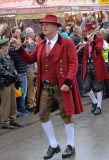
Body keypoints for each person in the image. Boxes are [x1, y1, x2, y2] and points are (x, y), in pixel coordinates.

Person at [9, 14, 83, 159]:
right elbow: (30, 59)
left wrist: (68, 82)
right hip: (46, 87)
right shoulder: (41, 44)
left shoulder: (67, 43)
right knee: (43, 115)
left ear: (55, 27)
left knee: (66, 115)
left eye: (47, 24)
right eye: (43, 24)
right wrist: (19, 48)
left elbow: (74, 64)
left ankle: (71, 145)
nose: (44, 26)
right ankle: (54, 144)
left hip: (62, 86)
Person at [80, 22, 109, 115]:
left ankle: (99, 106)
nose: (87, 32)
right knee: (86, 87)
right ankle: (95, 101)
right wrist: (81, 48)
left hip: (97, 65)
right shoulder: (84, 39)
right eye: (86, 31)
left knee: (98, 87)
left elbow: (99, 50)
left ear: (93, 30)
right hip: (88, 65)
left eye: (88, 30)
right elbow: (82, 54)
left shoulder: (99, 38)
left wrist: (92, 41)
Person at [0, 38, 21, 129]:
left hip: (10, 81)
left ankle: (13, 119)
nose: (8, 47)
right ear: (2, 47)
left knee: (13, 102)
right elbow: (1, 70)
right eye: (6, 46)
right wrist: (11, 76)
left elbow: (12, 67)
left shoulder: (6, 55)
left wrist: (15, 74)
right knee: (6, 103)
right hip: (4, 81)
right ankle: (5, 122)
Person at [8, 27, 29, 116]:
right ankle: (21, 108)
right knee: (22, 92)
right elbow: (19, 52)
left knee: (20, 92)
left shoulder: (11, 50)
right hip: (21, 74)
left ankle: (20, 108)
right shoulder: (13, 50)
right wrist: (23, 45)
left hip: (19, 73)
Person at [71, 26, 88, 97]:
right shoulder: (78, 39)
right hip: (79, 60)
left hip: (76, 59)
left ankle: (79, 91)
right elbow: (82, 49)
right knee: (79, 76)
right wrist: (87, 37)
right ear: (78, 31)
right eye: (81, 29)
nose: (82, 30)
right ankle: (81, 91)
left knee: (78, 75)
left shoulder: (73, 37)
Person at [24, 27, 37, 112]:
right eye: (32, 33)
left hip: (33, 68)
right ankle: (30, 104)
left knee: (34, 87)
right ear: (29, 34)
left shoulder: (32, 43)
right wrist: (31, 45)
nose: (34, 34)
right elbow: (31, 54)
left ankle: (34, 103)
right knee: (31, 88)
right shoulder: (28, 44)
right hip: (30, 69)